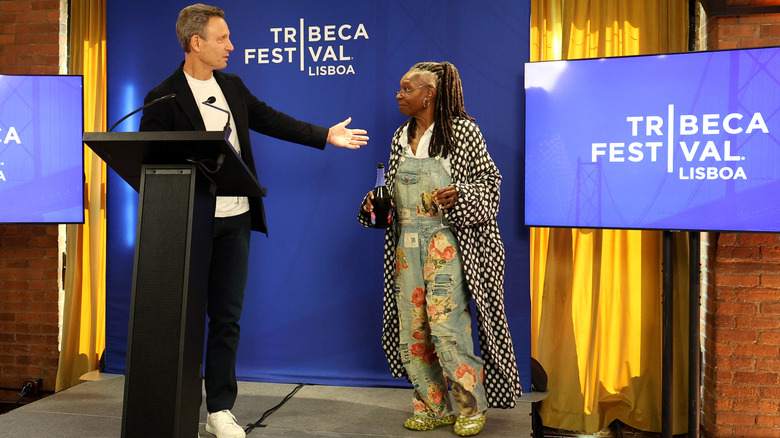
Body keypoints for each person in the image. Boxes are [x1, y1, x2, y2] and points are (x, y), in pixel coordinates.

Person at [139, 4, 368, 438]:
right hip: (188, 225)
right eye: (222, 38)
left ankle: (219, 409)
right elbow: (151, 161)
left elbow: (271, 120)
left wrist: (325, 134)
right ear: (196, 43)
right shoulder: (163, 97)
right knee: (184, 319)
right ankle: (179, 402)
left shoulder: (232, 86)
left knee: (226, 318)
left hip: (236, 219)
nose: (231, 45)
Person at [357, 61, 521, 436]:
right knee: (413, 329)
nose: (399, 95)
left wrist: (461, 194)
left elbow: (490, 185)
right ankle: (433, 406)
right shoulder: (401, 136)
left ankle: (470, 406)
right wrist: (375, 203)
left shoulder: (463, 132)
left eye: (407, 88)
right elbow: (395, 194)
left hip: (446, 241)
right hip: (406, 246)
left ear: (428, 93)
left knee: (448, 328)